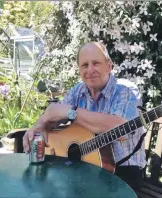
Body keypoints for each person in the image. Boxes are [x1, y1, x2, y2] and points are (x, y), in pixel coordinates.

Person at [23, 41, 147, 191]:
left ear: (109, 65)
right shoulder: (78, 90)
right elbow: (52, 114)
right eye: (85, 65)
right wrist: (40, 125)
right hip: (84, 169)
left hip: (123, 172)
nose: (90, 70)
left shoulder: (126, 90)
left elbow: (119, 128)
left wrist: (70, 112)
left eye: (96, 63)